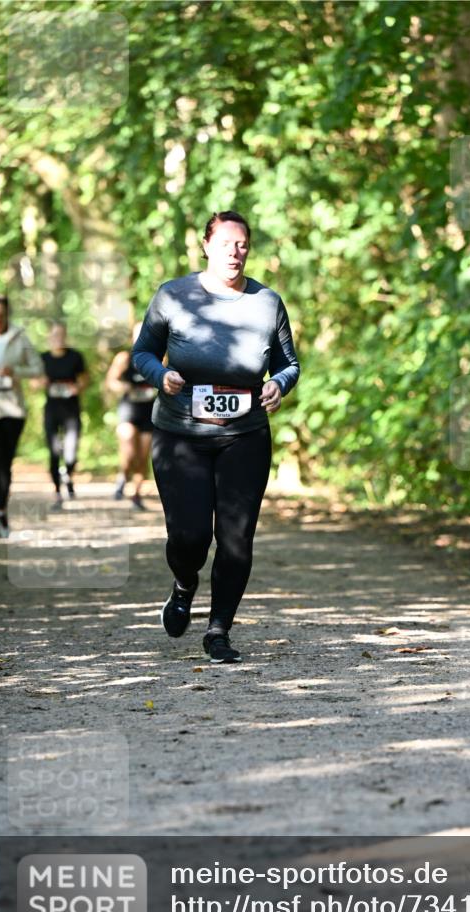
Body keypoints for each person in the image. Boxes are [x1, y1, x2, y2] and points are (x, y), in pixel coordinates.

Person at [132, 210, 300, 663]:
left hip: (244, 436)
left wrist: (278, 384)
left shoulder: (267, 302)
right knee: (188, 537)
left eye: (242, 243)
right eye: (226, 243)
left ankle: (218, 630)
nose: (235, 251)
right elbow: (142, 353)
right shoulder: (173, 295)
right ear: (206, 245)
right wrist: (160, 374)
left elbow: (289, 363)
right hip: (180, 434)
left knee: (236, 538)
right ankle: (184, 584)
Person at [0, 295, 43, 538]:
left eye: (2, 314)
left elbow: (37, 368)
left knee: (4, 462)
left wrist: (14, 371)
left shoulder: (19, 336)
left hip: (12, 410)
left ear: (7, 316)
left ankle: (1, 511)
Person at [105, 321, 155, 511]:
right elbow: (111, 381)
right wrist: (123, 386)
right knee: (128, 450)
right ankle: (123, 475)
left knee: (143, 455)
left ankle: (136, 494)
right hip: (129, 410)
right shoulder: (124, 358)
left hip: (149, 411)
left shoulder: (159, 357)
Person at [40, 321, 89, 509]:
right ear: (49, 337)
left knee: (71, 451)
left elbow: (85, 380)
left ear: (65, 336)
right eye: (54, 335)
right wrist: (42, 382)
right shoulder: (43, 358)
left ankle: (67, 474)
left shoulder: (75, 357)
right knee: (53, 451)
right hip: (52, 409)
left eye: (61, 334)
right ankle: (57, 492)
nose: (58, 338)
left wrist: (75, 387)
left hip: (71, 410)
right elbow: (35, 382)